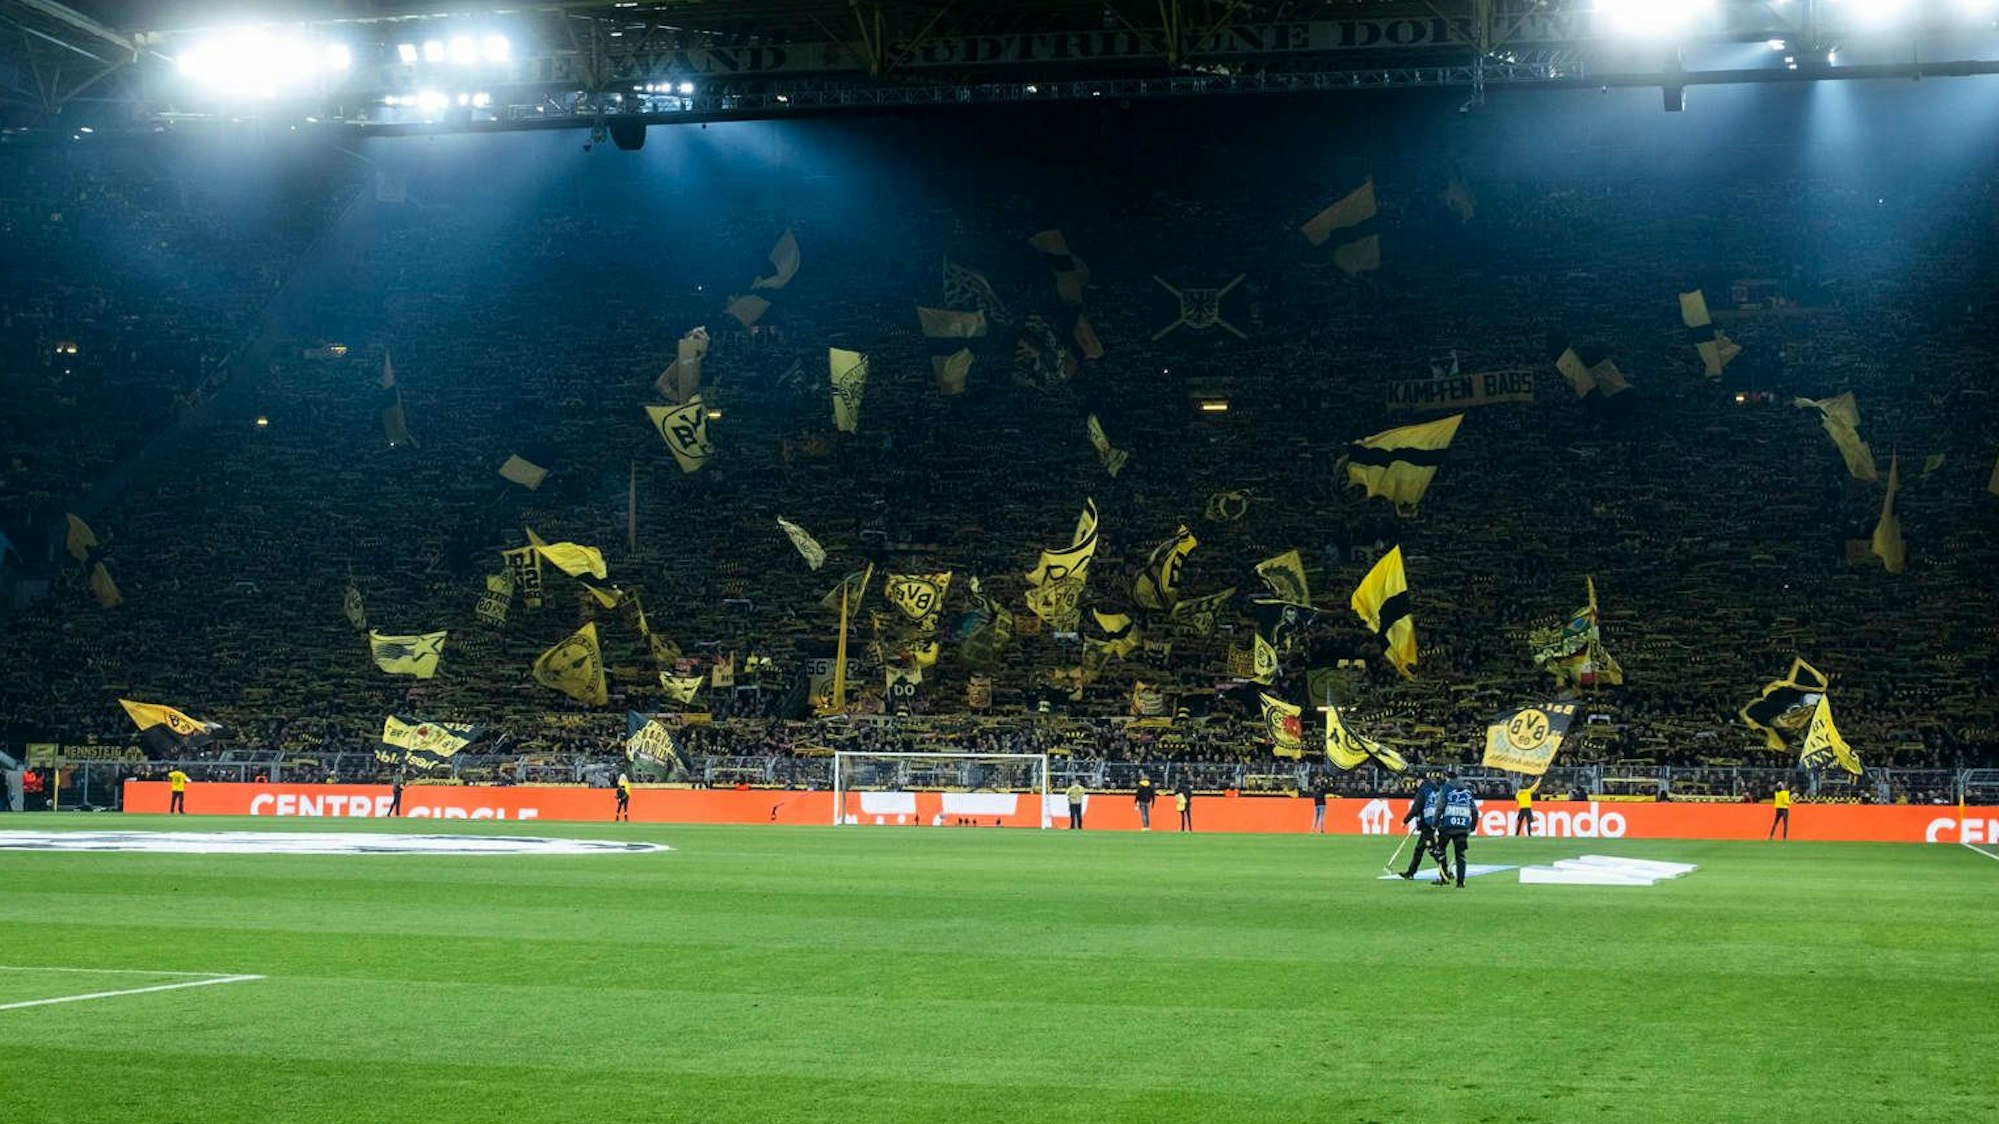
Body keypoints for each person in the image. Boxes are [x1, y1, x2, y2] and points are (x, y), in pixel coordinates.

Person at [1435, 772, 1478, 887]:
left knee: (1441, 851)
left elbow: (1440, 807)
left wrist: (1435, 823)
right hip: (1462, 827)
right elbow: (1474, 810)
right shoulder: (1467, 791)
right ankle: (1460, 882)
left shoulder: (1445, 789)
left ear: (1448, 778)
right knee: (1460, 855)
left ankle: (1444, 877)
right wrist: (1472, 826)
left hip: (1447, 826)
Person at [1399, 772, 1442, 880]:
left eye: (1416, 781)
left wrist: (1405, 821)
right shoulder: (1435, 789)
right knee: (1419, 849)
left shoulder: (1422, 791)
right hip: (1433, 820)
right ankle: (1411, 872)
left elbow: (1416, 808)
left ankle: (1445, 871)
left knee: (1432, 850)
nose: (1415, 784)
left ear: (1420, 780)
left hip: (1426, 824)